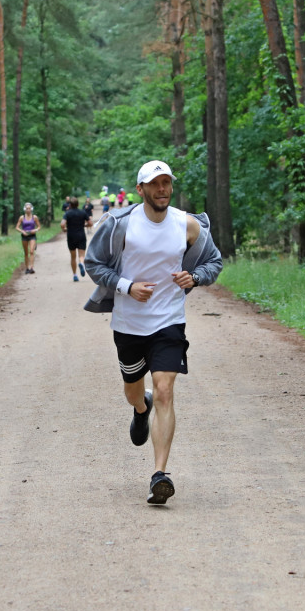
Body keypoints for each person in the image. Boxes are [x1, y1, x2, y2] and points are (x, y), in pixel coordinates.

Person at [84, 160, 223, 505]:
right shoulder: (120, 224)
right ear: (141, 189)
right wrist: (127, 286)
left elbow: (214, 261)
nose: (162, 189)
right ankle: (139, 409)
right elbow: (93, 263)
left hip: (169, 322)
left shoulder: (186, 224)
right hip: (129, 325)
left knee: (164, 391)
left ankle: (159, 475)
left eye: (167, 183)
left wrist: (196, 277)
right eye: (155, 183)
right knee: (136, 392)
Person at [60, 196, 92, 281]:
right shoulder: (83, 212)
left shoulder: (67, 213)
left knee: (73, 256)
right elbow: (90, 223)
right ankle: (81, 263)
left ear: (70, 205)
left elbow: (62, 224)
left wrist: (64, 229)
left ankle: (75, 275)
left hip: (71, 235)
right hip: (81, 235)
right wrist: (84, 225)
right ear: (78, 204)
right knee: (81, 255)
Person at [16, 203, 41, 274]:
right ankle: (27, 268)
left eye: (29, 208)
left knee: (31, 251)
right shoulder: (22, 217)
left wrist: (35, 230)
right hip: (24, 236)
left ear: (31, 209)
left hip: (32, 235)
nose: (28, 210)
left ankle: (32, 268)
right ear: (24, 209)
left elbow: (39, 227)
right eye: (27, 208)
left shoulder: (34, 217)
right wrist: (22, 231)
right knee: (26, 253)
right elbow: (17, 227)